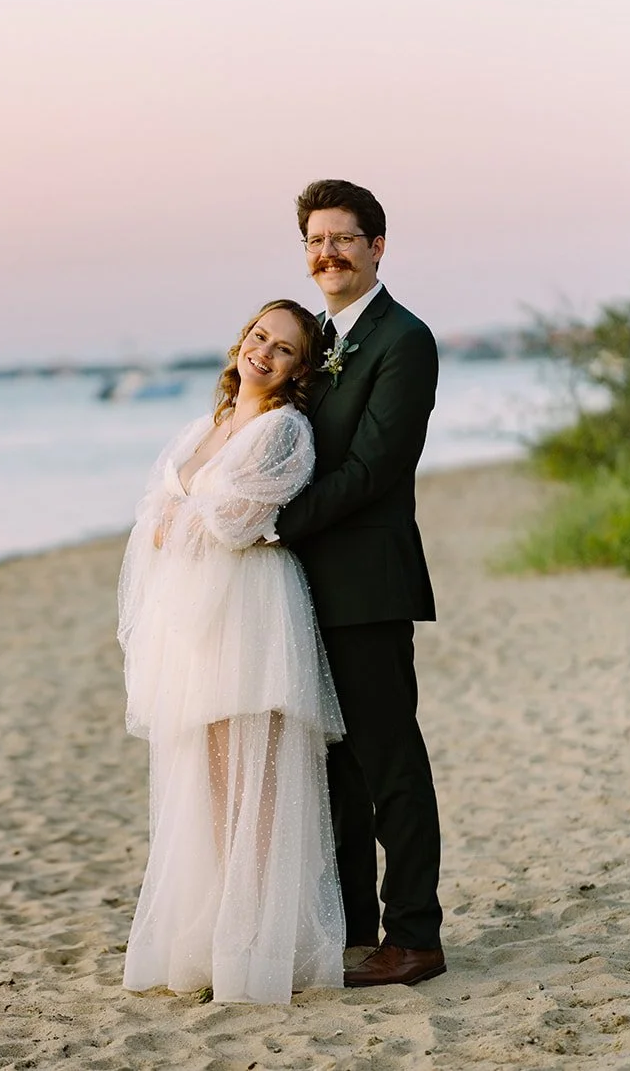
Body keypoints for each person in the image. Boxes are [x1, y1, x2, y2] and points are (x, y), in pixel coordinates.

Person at [118, 298, 346, 1004]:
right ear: (239, 341)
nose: (263, 353)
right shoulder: (207, 427)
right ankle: (219, 934)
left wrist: (183, 518)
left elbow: (238, 525)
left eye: (282, 348)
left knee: (258, 777)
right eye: (258, 336)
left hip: (249, 609)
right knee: (211, 779)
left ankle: (259, 945)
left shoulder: (283, 432)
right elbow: (156, 511)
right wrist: (186, 517)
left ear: (299, 369)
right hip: (193, 616)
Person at [272, 179, 445, 987]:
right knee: (336, 766)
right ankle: (352, 924)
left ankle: (415, 935)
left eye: (343, 238)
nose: (326, 253)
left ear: (378, 246)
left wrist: (278, 523)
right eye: (314, 240)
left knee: (390, 762)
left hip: (369, 583)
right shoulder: (314, 339)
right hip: (306, 586)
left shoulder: (403, 340)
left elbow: (377, 468)